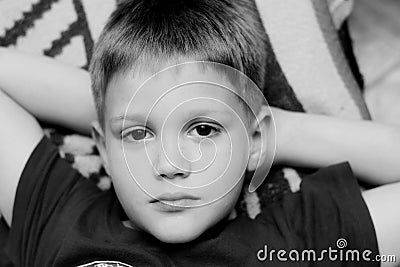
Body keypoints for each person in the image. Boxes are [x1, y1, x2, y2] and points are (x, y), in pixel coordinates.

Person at [0, 0, 399, 266]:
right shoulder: (58, 216)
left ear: (255, 141)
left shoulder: (294, 244)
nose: (169, 165)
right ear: (104, 149)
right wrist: (114, 101)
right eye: (138, 135)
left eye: (204, 128)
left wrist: (272, 132)